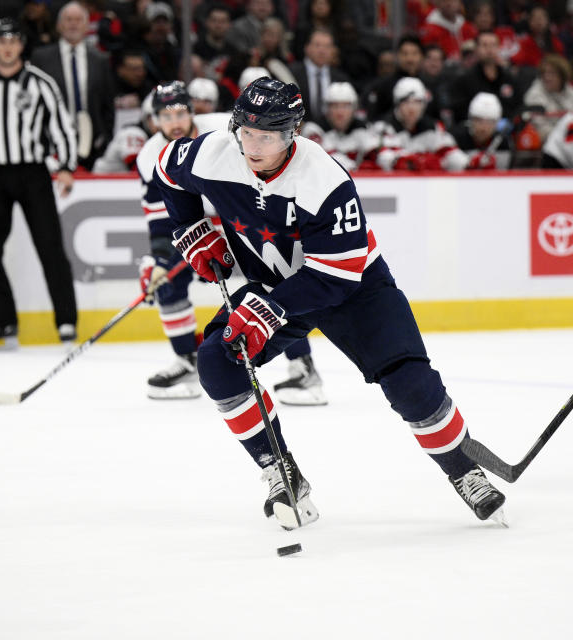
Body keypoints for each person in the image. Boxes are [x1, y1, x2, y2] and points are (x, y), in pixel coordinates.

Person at [154, 78, 507, 527]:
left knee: (411, 387)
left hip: (354, 285)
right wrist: (192, 229)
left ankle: (464, 469)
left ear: (292, 134)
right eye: (246, 131)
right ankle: (281, 472)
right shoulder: (215, 153)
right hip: (277, 285)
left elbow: (334, 278)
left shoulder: (323, 179)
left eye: (267, 136)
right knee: (217, 361)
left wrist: (268, 309)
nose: (253, 145)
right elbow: (167, 170)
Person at [0, 18, 79, 348]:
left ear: (21, 45)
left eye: (13, 40)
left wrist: (66, 166)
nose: (7, 47)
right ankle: (4, 320)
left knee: (50, 247)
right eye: (1, 41)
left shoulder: (41, 83)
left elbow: (62, 127)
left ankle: (66, 321)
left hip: (33, 173)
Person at [135, 82, 231, 398]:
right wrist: (160, 259)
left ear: (192, 112)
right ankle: (187, 360)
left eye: (180, 113)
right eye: (165, 116)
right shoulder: (149, 156)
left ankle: (303, 368)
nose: (174, 122)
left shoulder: (221, 130)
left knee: (272, 282)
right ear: (155, 121)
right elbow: (160, 218)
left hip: (239, 223)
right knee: (166, 282)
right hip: (197, 231)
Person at [30, 1, 115, 169]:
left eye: (78, 20)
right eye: (68, 19)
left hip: (93, 147)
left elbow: (108, 105)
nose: (73, 24)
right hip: (51, 144)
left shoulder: (100, 59)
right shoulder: (41, 58)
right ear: (59, 25)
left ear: (86, 26)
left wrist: (104, 138)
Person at [372, 77, 468, 172]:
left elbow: (454, 156)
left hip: (427, 183)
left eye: (417, 102)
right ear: (397, 103)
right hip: (393, 183)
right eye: (406, 102)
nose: (412, 108)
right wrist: (409, 161)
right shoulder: (383, 127)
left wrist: (468, 163)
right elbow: (383, 157)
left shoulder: (433, 127)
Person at [93, 89, 157, 173]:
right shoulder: (133, 133)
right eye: (162, 116)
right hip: (100, 183)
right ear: (147, 118)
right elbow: (140, 171)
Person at [449, 92, 512, 170]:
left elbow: (503, 173)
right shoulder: (455, 138)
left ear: (496, 123)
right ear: (470, 119)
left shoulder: (502, 142)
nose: (483, 127)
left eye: (490, 122)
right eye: (478, 120)